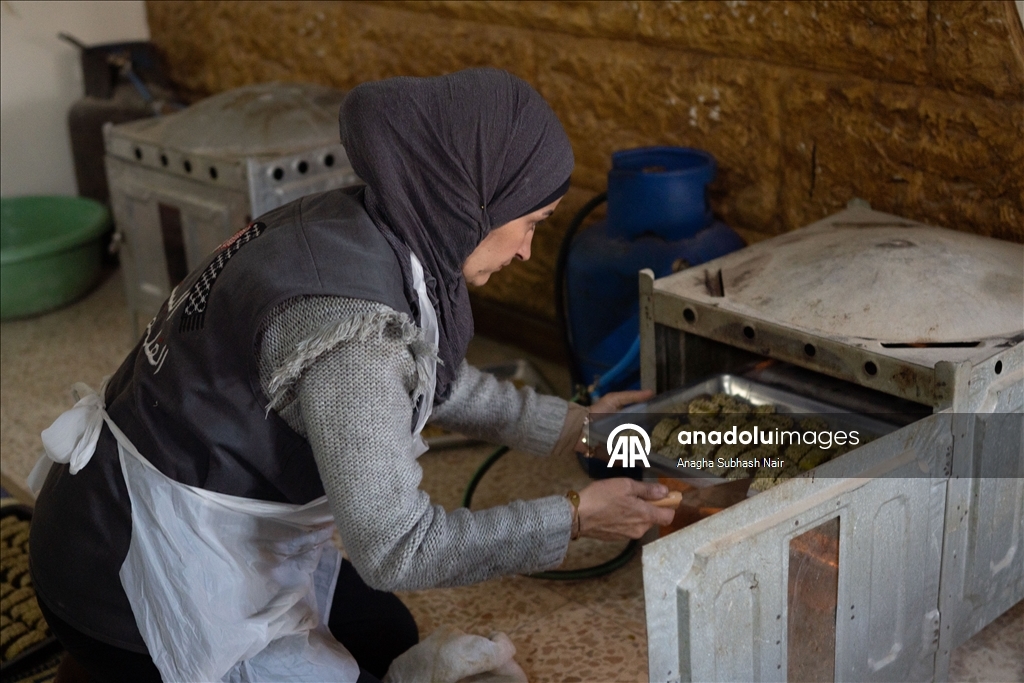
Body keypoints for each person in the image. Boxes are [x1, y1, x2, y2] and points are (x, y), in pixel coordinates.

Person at [28, 68, 675, 682]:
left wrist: (576, 428)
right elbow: (399, 545)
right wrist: (576, 518)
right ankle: (110, 659)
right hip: (120, 567)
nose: (529, 248)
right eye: (531, 222)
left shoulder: (367, 221)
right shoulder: (351, 327)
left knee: (387, 631)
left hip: (151, 498)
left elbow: (430, 380)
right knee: (375, 620)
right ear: (476, 196)